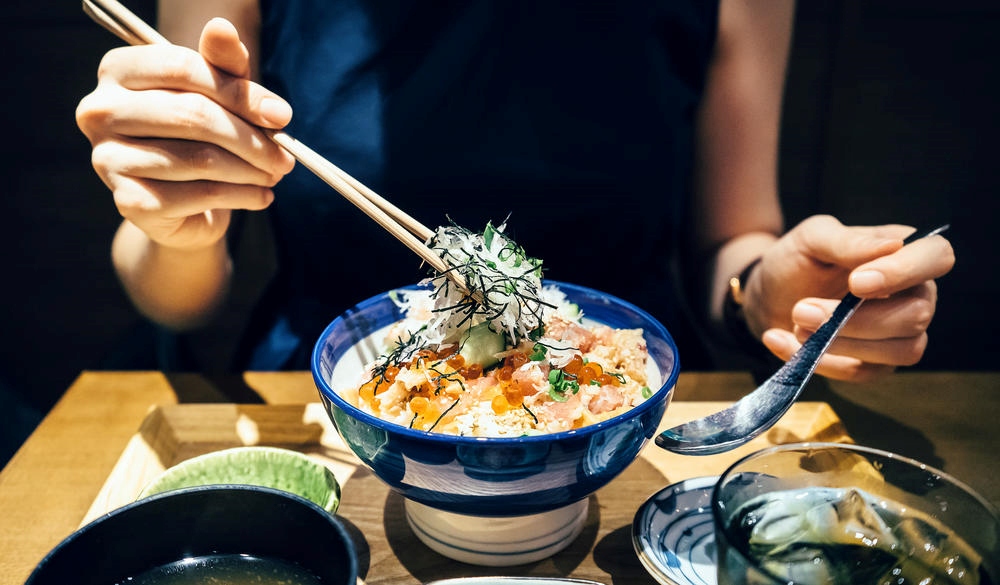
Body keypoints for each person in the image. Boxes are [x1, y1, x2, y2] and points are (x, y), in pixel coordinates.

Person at [76, 0, 954, 382]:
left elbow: (733, 240)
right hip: (326, 399)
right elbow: (180, 298)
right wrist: (173, 231)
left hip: (626, 410)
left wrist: (769, 290)